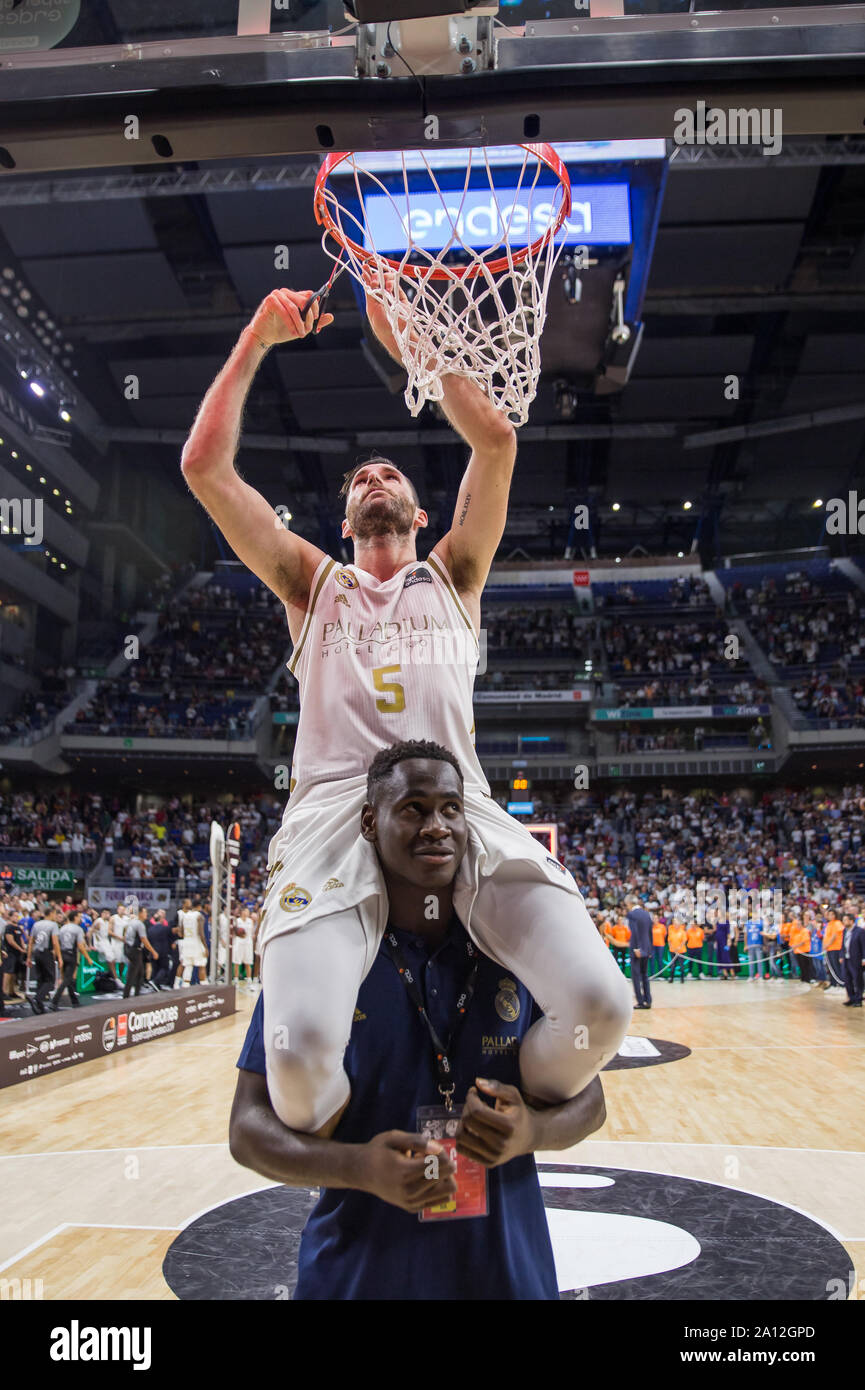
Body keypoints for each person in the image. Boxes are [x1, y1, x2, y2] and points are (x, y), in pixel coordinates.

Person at [182, 278, 632, 1136]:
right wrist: (254, 337)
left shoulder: (454, 574)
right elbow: (203, 468)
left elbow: (494, 441)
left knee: (601, 1007)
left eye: (390, 472)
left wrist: (412, 347)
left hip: (454, 805)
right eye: (359, 477)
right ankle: (361, 1162)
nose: (374, 478)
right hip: (334, 814)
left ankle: (507, 1115)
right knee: (302, 1057)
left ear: (421, 514)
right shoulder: (311, 583)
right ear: (343, 515)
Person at [230, 741, 607, 1300]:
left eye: (451, 808)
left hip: (505, 1276)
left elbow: (593, 1103)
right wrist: (361, 1168)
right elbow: (247, 1129)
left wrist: (533, 1130)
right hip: (360, 1276)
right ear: (368, 821)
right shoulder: (321, 957)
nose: (437, 826)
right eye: (413, 808)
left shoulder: (516, 948)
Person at [50, 910, 94, 1010]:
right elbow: (80, 946)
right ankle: (54, 1001)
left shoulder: (63, 928)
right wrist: (88, 958)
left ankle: (74, 1001)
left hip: (62, 953)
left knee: (67, 978)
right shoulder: (78, 929)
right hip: (71, 954)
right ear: (74, 917)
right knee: (67, 979)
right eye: (79, 917)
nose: (80, 919)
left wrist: (59, 956)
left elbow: (57, 943)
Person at [26, 906, 61, 1015]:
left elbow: (31, 941)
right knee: (50, 981)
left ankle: (39, 1006)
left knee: (40, 979)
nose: (55, 916)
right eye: (55, 914)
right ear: (50, 913)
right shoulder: (53, 925)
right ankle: (37, 999)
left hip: (37, 953)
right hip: (46, 953)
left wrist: (28, 957)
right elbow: (55, 942)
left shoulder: (36, 924)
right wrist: (59, 957)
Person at [122, 911, 158, 997]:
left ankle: (137, 994)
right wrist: (153, 951)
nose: (146, 914)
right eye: (145, 912)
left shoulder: (132, 922)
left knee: (140, 972)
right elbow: (144, 939)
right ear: (140, 913)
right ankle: (126, 995)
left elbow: (125, 935)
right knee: (133, 973)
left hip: (129, 947)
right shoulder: (140, 924)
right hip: (135, 950)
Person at [626, 897, 652, 1010]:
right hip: (646, 949)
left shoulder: (631, 914)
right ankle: (648, 1000)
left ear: (629, 903)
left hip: (637, 949)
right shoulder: (647, 914)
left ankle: (640, 1001)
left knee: (636, 976)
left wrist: (637, 948)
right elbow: (649, 933)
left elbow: (634, 931)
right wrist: (649, 950)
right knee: (644, 975)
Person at [178, 897, 208, 985]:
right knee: (202, 965)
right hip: (196, 943)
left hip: (187, 943)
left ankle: (185, 987)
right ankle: (204, 987)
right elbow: (201, 933)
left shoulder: (185, 915)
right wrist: (205, 947)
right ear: (199, 907)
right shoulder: (199, 916)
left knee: (188, 966)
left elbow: (182, 932)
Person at [842, 914, 864, 1007]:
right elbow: (842, 944)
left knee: (857, 979)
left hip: (856, 959)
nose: (844, 922)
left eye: (845, 920)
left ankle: (858, 999)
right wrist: (841, 955)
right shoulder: (845, 931)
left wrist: (864, 958)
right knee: (847, 979)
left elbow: (863, 945)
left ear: (851, 921)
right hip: (846, 958)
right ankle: (851, 998)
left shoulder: (860, 931)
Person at [824, 910, 845, 990]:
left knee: (837, 967)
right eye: (829, 914)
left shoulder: (837, 923)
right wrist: (825, 946)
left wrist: (827, 945)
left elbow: (834, 936)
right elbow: (826, 936)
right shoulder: (829, 924)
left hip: (836, 948)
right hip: (829, 949)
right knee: (831, 968)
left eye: (832, 914)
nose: (830, 916)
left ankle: (842, 984)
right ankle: (833, 984)